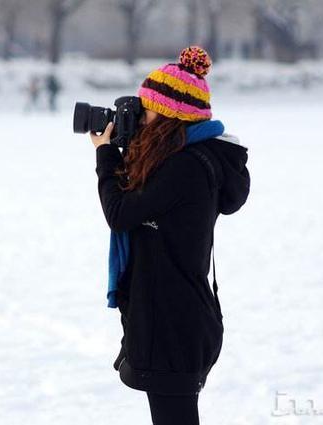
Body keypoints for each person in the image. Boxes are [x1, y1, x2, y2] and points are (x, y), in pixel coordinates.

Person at [91, 46, 250, 425]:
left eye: (146, 109)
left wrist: (105, 156)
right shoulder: (184, 159)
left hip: (173, 323)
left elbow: (121, 213)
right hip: (173, 314)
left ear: (167, 114)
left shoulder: (185, 168)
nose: (140, 117)